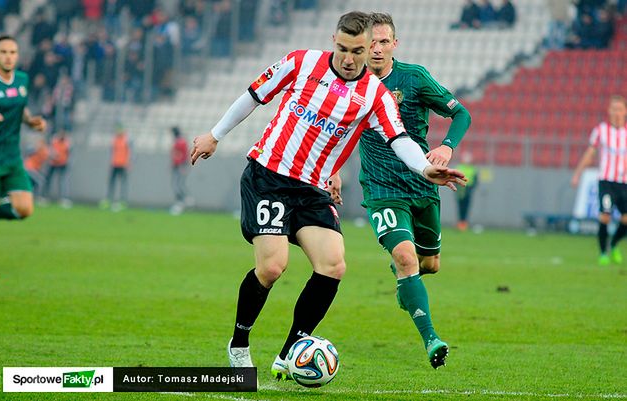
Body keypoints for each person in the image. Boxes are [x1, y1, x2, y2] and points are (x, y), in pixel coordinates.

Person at [190, 11, 466, 380]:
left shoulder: (375, 95)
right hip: (269, 176)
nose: (349, 59)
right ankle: (239, 344)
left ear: (368, 48)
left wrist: (425, 168)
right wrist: (214, 135)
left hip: (313, 188)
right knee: (272, 267)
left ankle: (289, 352)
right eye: (343, 49)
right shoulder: (301, 62)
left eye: (357, 51)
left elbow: (398, 139)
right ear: (333, 41)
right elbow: (254, 96)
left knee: (333, 265)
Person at [350, 12, 471, 369]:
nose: (376, 49)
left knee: (428, 265)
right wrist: (333, 174)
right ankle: (432, 339)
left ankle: (405, 281)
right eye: (371, 42)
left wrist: (447, 146)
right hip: (381, 188)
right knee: (406, 257)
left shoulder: (414, 78)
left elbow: (461, 114)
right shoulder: (352, 84)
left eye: (383, 42)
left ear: (395, 44)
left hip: (423, 183)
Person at [0, 35, 48, 221]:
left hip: (12, 157)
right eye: (3, 52)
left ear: (17, 55)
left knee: (24, 209)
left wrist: (30, 121)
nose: (8, 57)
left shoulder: (22, 80)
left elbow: (20, 107)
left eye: (12, 52)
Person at [571, 95, 627, 266]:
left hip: (624, 183)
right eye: (614, 109)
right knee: (605, 216)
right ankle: (603, 253)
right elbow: (590, 153)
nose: (616, 112)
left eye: (620, 109)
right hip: (606, 181)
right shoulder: (601, 131)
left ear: (625, 111)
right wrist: (577, 174)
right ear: (609, 111)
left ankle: (614, 244)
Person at [101, 125, 131, 211]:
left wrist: (128, 163)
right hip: (114, 164)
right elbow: (112, 152)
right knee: (111, 183)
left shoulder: (126, 140)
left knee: (123, 183)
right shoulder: (115, 140)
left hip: (123, 164)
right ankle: (109, 199)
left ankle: (122, 201)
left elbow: (129, 152)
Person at [44, 130, 72, 208]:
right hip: (53, 163)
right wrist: (53, 155)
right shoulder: (54, 141)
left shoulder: (67, 143)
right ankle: (44, 197)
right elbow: (50, 150)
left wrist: (66, 161)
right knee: (48, 180)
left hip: (62, 164)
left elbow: (69, 154)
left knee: (63, 181)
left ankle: (63, 198)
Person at [455, 151, 479, 231]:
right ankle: (460, 223)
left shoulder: (473, 169)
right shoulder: (459, 167)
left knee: (466, 207)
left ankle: (464, 223)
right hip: (460, 190)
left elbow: (475, 181)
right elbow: (454, 178)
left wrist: (471, 189)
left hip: (468, 190)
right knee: (460, 207)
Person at [169, 126, 189, 215]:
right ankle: (182, 202)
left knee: (178, 185)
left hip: (180, 166)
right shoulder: (177, 141)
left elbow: (184, 154)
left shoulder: (181, 142)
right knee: (176, 185)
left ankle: (183, 202)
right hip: (176, 166)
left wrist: (183, 165)